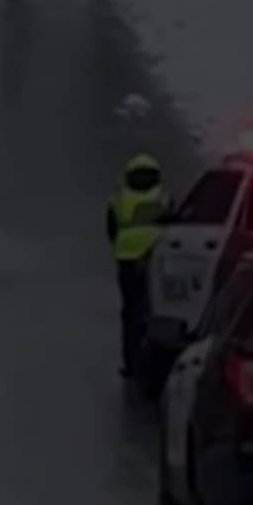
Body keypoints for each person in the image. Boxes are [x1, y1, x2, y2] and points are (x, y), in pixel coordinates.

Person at [106, 153, 171, 378]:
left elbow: (112, 231)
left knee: (131, 313)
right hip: (157, 261)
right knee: (157, 311)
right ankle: (156, 364)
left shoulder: (119, 199)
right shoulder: (163, 197)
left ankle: (132, 364)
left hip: (127, 262)